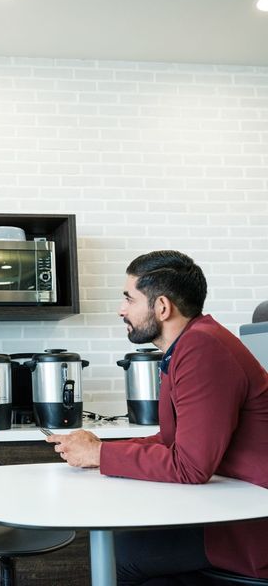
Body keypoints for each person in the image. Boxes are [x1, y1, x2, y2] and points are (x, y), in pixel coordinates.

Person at [46, 250, 268, 584]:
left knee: (119, 557)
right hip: (230, 507)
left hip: (251, 528)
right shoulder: (189, 345)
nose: (122, 310)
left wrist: (100, 455)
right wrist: (98, 449)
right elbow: (174, 441)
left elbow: (189, 466)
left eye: (129, 299)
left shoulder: (202, 349)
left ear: (161, 307)